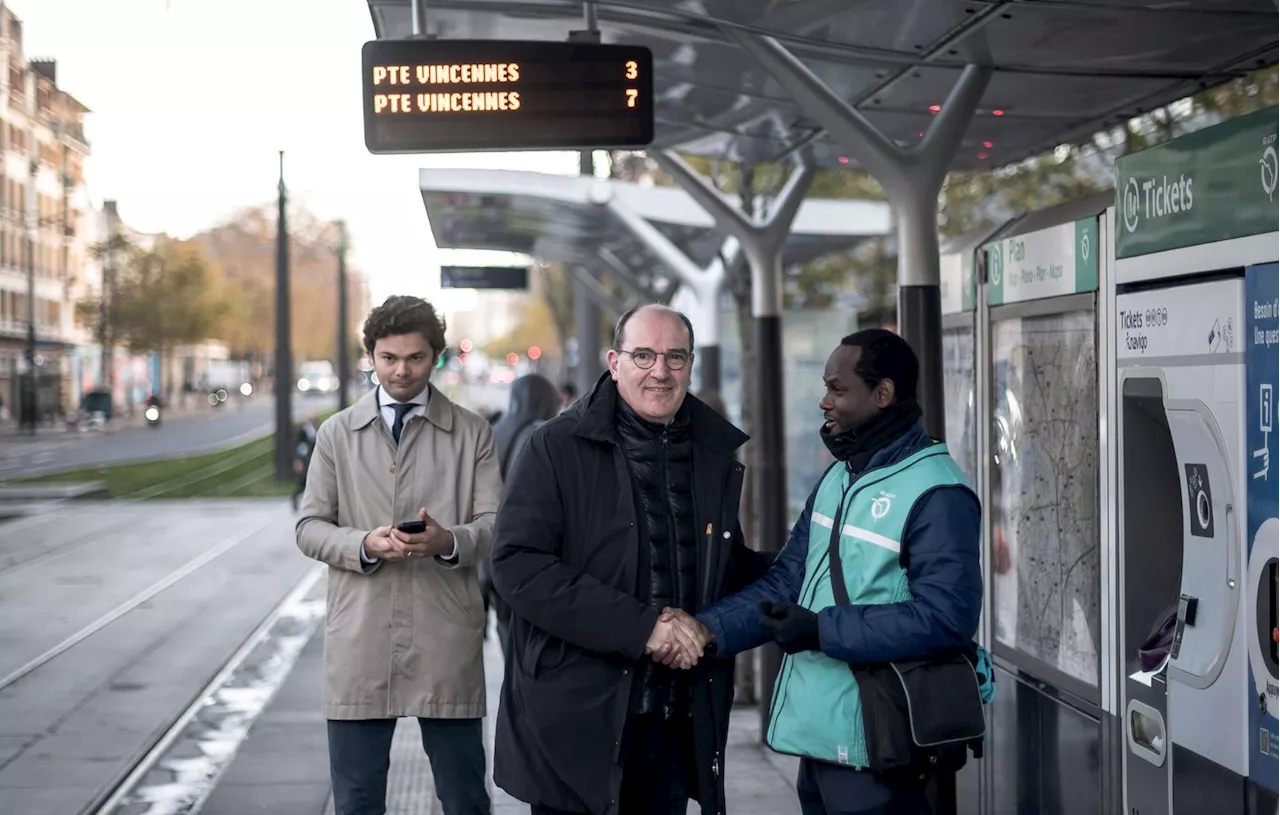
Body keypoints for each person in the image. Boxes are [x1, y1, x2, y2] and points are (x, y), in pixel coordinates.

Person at [490, 304, 774, 815]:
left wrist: (803, 564)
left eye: (674, 357)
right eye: (643, 355)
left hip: (674, 724)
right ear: (614, 361)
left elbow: (719, 566)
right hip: (575, 724)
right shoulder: (553, 447)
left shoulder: (713, 452)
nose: (660, 372)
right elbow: (517, 566)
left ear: (691, 364)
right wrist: (644, 627)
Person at [687, 328, 984, 815]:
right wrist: (704, 632)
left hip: (883, 747)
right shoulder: (841, 476)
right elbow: (788, 581)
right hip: (824, 741)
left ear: (883, 394)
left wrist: (822, 629)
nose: (824, 402)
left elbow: (947, 617)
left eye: (838, 389)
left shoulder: (938, 492)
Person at [296, 295, 501, 815]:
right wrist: (363, 543)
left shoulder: (472, 433)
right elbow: (309, 526)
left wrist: (447, 541)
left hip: (445, 635)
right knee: (357, 800)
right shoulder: (337, 434)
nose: (401, 370)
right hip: (360, 636)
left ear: (436, 356)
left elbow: (496, 527)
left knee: (464, 797)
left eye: (414, 358)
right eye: (388, 358)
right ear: (371, 356)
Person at [481, 372, 562, 654]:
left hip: (490, 556)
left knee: (507, 637)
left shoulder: (492, 430)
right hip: (526, 558)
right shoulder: (539, 434)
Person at [291, 412, 319, 512]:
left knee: (315, 483)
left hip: (314, 459)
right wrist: (298, 460)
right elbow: (298, 447)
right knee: (303, 483)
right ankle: (295, 499)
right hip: (304, 460)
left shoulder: (316, 429)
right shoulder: (302, 432)